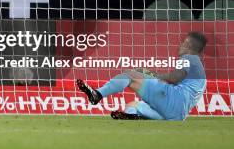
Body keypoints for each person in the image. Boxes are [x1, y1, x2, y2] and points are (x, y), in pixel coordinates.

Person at [76, 32, 207, 120]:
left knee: (130, 75)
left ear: (188, 45)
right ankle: (134, 118)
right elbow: (177, 82)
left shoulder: (188, 57)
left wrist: (156, 77)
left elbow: (175, 78)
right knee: (133, 106)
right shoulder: (199, 68)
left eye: (183, 42)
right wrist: (150, 74)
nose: (180, 45)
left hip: (174, 101)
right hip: (178, 115)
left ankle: (97, 95)